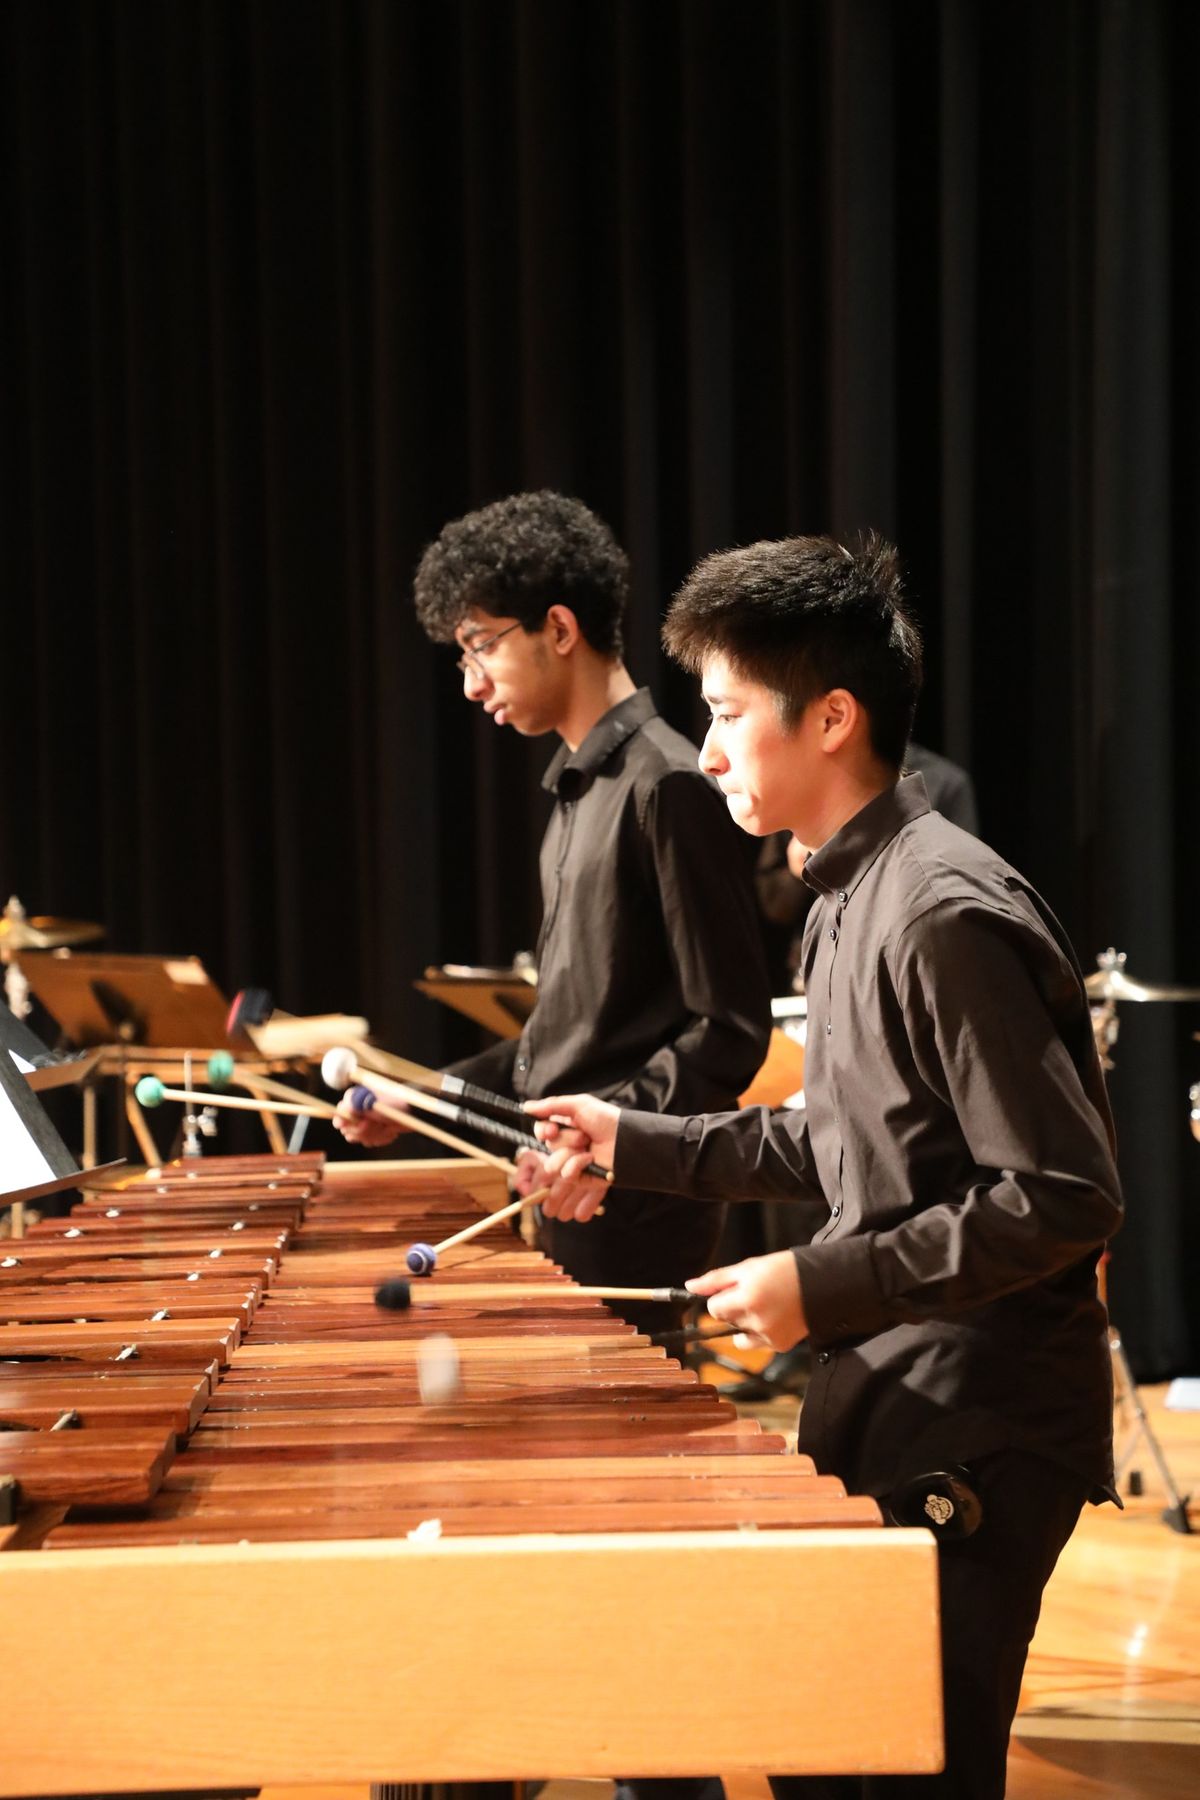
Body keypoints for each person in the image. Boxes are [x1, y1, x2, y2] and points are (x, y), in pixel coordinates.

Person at [523, 531, 1123, 1800]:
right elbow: (844, 1137)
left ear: (833, 718)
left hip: (984, 1413)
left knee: (892, 1780)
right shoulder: (847, 893)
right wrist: (639, 1143)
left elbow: (1065, 1195)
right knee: (819, 1759)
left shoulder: (943, 911)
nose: (714, 748)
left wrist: (822, 1285)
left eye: (731, 714)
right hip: (898, 1382)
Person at [335, 489, 772, 1337]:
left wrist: (612, 1142)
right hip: (571, 1187)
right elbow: (565, 1042)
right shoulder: (579, 793)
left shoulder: (669, 786)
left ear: (559, 630)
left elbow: (731, 1027)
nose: (469, 684)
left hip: (632, 1201)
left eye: (480, 648)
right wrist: (420, 1098)